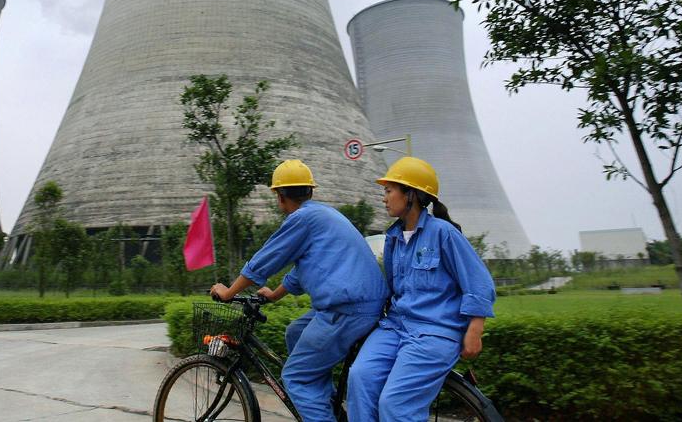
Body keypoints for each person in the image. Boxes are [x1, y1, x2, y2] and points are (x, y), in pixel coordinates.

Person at [210, 159, 383, 422]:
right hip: (359, 304)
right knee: (295, 332)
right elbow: (306, 268)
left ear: (279, 196)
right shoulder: (323, 214)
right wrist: (275, 294)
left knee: (296, 377)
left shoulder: (301, 218)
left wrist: (229, 292)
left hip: (346, 310)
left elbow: (265, 259)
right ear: (310, 191)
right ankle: (327, 404)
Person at [346, 156, 496, 422]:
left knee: (395, 403)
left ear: (411, 194)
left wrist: (475, 329)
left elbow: (479, 281)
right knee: (360, 378)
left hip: (434, 332)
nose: (384, 197)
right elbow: (394, 291)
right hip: (396, 326)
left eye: (389, 190)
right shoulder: (393, 238)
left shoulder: (444, 233)